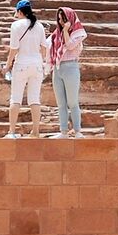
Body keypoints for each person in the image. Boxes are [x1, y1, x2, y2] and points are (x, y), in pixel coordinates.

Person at [3, 0, 49, 139]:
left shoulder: (16, 25)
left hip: (21, 64)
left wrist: (7, 65)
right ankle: (35, 131)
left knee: (15, 98)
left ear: (19, 11)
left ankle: (12, 132)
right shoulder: (39, 26)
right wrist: (43, 62)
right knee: (34, 99)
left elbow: (14, 48)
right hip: (36, 65)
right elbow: (43, 47)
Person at [48, 7, 87, 138]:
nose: (61, 22)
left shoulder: (78, 34)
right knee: (61, 103)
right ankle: (63, 131)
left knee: (73, 102)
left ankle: (77, 131)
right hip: (58, 68)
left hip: (71, 68)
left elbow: (70, 45)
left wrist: (65, 30)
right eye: (59, 19)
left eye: (63, 19)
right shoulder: (56, 35)